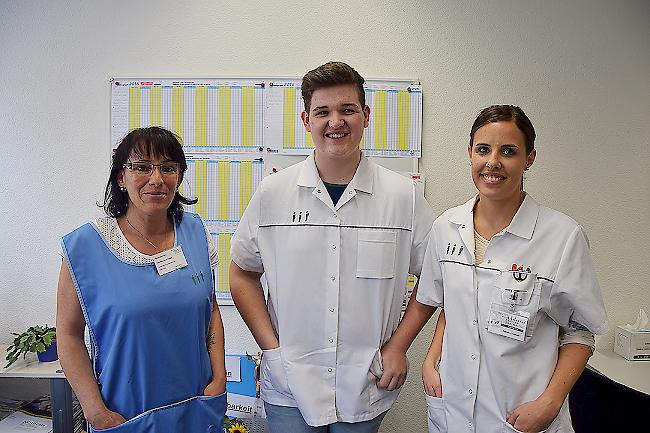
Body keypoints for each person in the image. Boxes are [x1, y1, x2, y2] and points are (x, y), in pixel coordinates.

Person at [229, 61, 436, 433]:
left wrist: (399, 346)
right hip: (289, 380)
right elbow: (242, 272)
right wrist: (271, 349)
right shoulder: (273, 193)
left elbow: (434, 277)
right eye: (323, 112)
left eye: (347, 110)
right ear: (306, 120)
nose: (335, 121)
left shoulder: (403, 197)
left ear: (366, 116)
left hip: (366, 383)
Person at [416, 105, 608, 433]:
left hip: (521, 414)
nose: (493, 162)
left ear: (529, 159)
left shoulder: (561, 236)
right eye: (483, 150)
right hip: (452, 410)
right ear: (470, 153)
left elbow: (580, 331)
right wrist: (431, 361)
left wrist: (550, 402)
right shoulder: (446, 226)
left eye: (508, 151)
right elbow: (451, 303)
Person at [56, 127, 227, 432]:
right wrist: (94, 410)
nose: (157, 179)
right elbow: (68, 335)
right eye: (142, 167)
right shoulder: (85, 247)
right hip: (125, 416)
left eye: (168, 168)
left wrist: (219, 377)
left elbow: (210, 309)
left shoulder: (197, 234)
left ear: (180, 176)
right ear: (121, 177)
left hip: (196, 406)